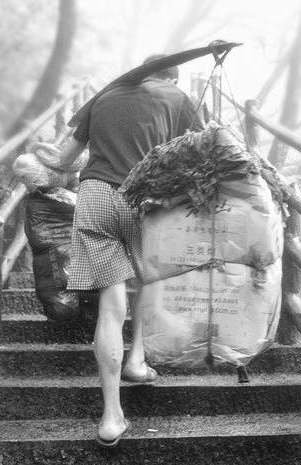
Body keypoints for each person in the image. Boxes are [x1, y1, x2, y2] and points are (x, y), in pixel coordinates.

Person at [55, 55, 203, 447]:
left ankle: (111, 417)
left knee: (111, 303)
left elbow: (64, 160)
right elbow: (201, 156)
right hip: (145, 198)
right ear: (171, 77)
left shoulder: (103, 95)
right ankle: (136, 359)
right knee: (149, 278)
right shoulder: (177, 98)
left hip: (95, 196)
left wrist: (39, 161)